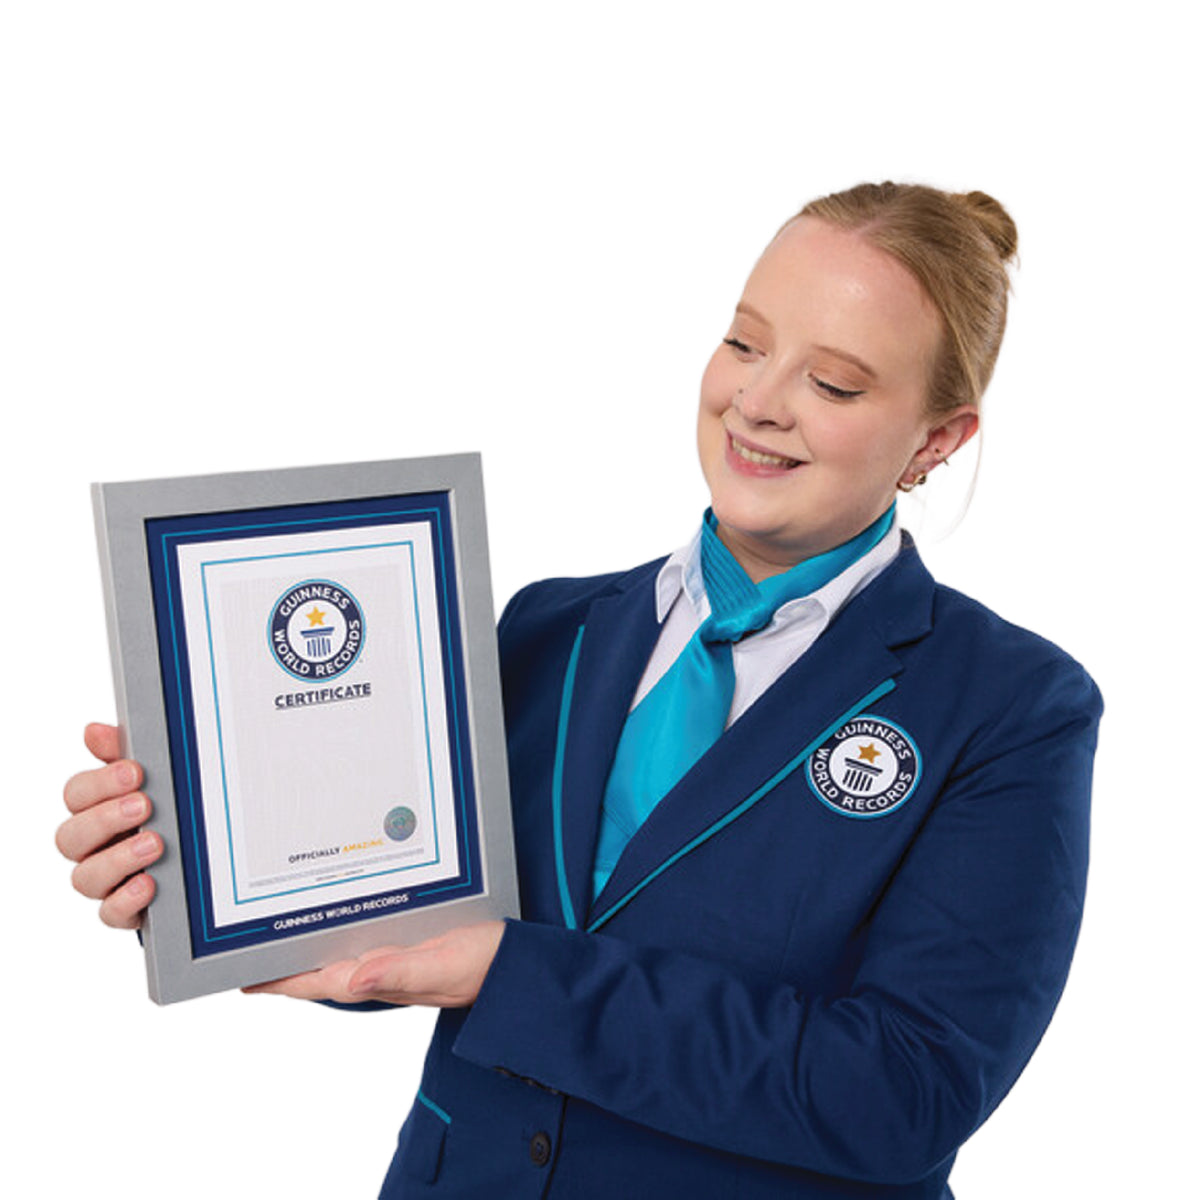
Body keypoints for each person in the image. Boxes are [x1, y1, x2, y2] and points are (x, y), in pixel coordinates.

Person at [58, 181, 1102, 1199]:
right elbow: (420, 926)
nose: (757, 400)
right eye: (745, 342)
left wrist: (509, 975)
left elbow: (901, 1093)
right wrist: (201, 859)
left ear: (936, 440)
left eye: (832, 384)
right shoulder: (548, 631)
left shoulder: (1011, 710)